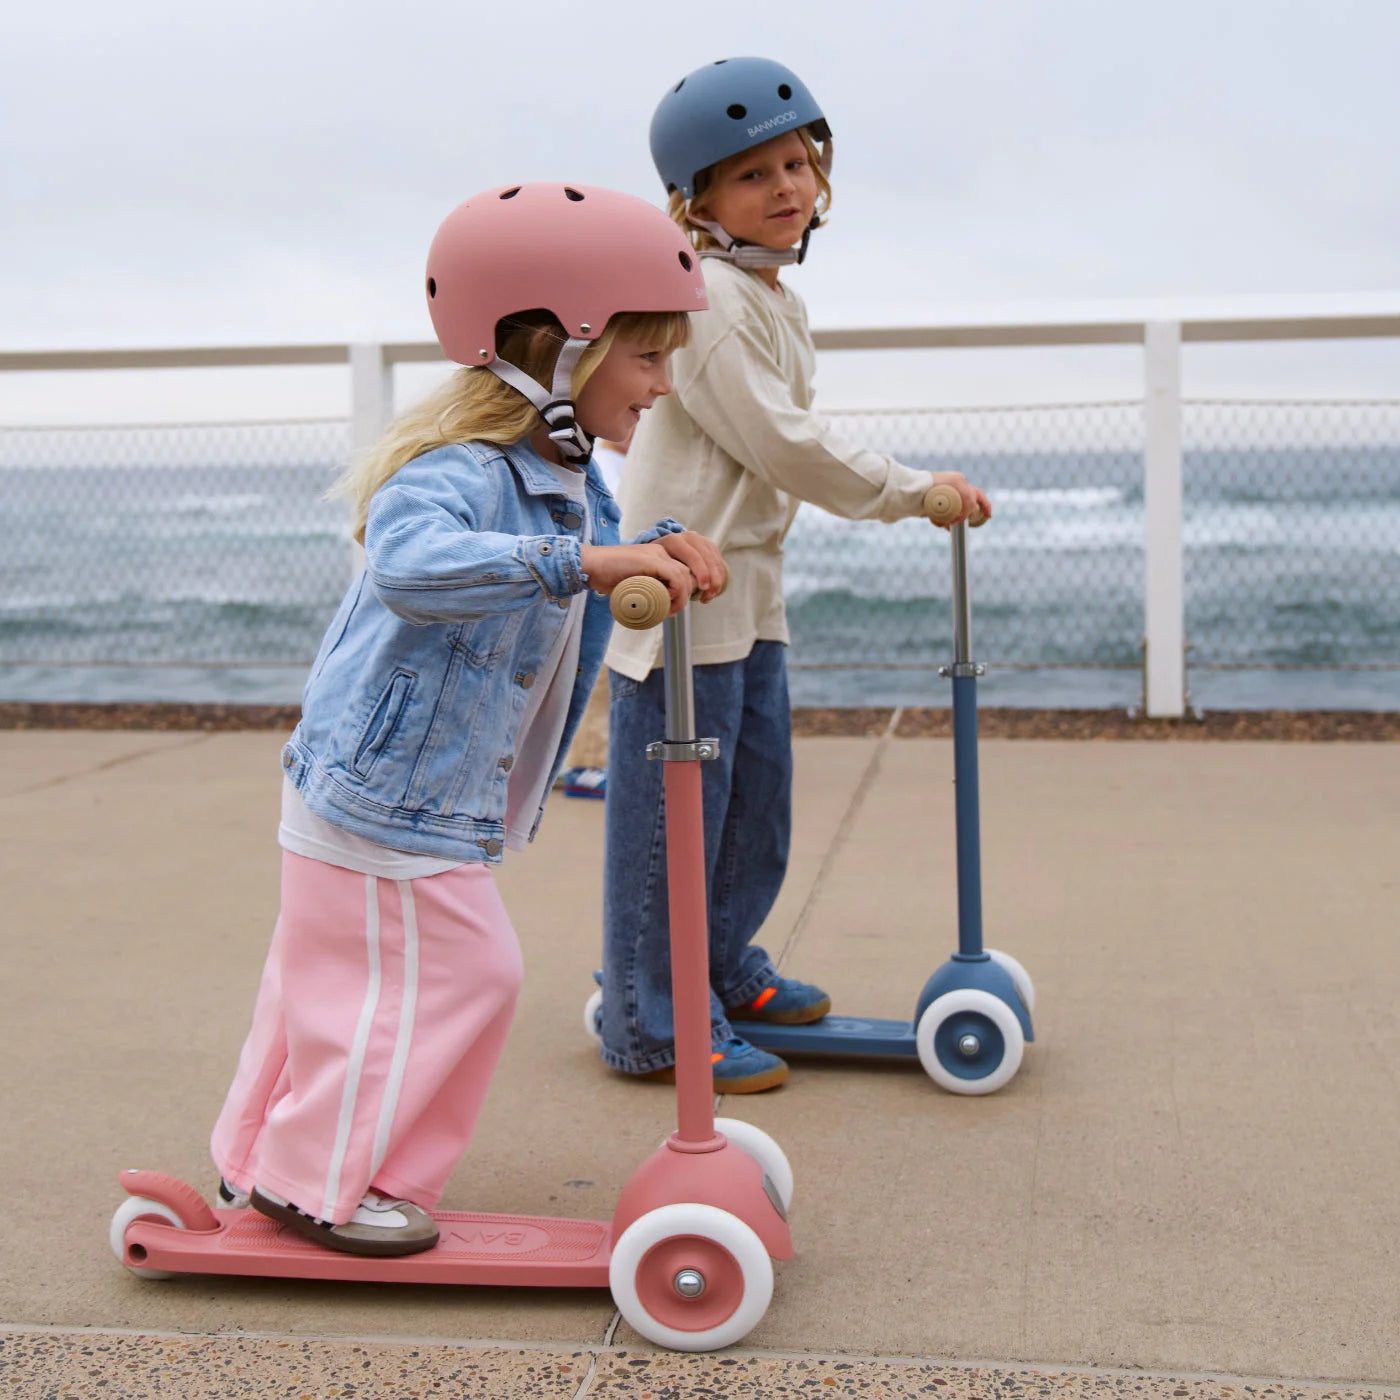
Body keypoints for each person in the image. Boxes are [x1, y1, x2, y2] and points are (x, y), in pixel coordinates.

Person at [209, 182, 726, 1257]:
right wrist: (580, 561)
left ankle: (261, 1152)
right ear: (559, 352)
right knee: (459, 972)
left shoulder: (566, 473)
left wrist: (660, 545)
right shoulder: (458, 472)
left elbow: (591, 553)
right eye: (645, 356)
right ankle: (316, 1186)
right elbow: (408, 563)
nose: (663, 384)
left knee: (322, 979)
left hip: (395, 788)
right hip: (383, 791)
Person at [597, 58, 992, 1094]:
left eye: (793, 162)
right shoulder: (711, 298)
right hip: (676, 600)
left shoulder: (770, 294)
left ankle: (718, 968)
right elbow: (785, 445)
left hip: (747, 585)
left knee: (752, 805)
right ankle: (649, 1018)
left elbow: (778, 451)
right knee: (672, 815)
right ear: (695, 204)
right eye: (748, 176)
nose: (783, 187)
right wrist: (911, 491)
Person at [556, 428, 633, 800]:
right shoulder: (604, 465)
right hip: (599, 584)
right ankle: (586, 766)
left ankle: (578, 761)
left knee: (596, 679)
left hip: (609, 583)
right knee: (597, 680)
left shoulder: (616, 464)